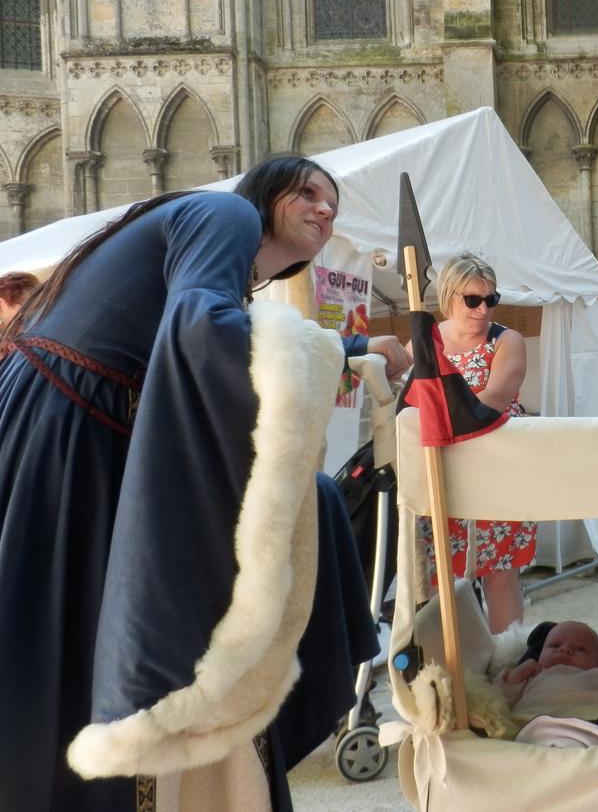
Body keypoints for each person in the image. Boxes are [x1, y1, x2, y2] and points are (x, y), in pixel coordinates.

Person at [0, 157, 406, 811]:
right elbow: (201, 334)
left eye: (334, 203)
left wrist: (344, 347)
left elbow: (212, 342)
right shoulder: (226, 214)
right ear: (265, 196)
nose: (326, 210)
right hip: (69, 434)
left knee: (48, 653)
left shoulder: (228, 266)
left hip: (71, 429)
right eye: (307, 192)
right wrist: (347, 349)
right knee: (52, 650)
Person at [415, 251, 535, 633]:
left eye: (491, 299)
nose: (483, 309)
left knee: (500, 574)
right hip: (442, 473)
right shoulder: (426, 343)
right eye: (472, 300)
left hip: (497, 469)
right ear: (449, 297)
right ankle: (456, 672)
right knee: (440, 578)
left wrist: (438, 421)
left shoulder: (507, 341)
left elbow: (494, 400)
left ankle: (507, 663)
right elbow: (406, 400)